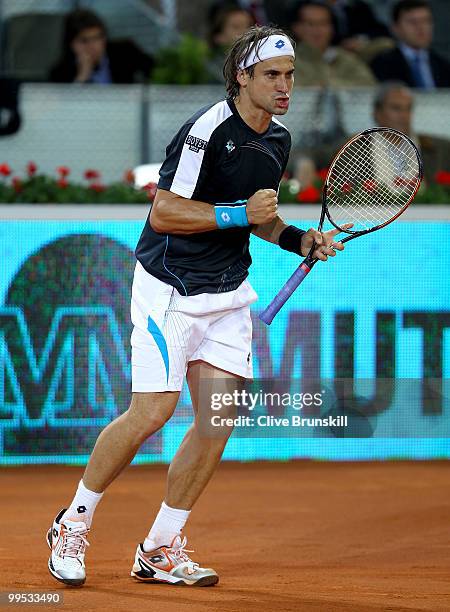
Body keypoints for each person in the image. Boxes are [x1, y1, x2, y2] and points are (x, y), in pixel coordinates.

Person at [46, 25, 349, 588]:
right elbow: (165, 213)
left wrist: (299, 239)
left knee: (217, 420)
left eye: (289, 77)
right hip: (170, 290)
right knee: (152, 413)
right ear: (243, 76)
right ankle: (72, 522)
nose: (284, 87)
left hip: (228, 292)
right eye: (271, 77)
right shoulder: (206, 131)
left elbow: (261, 219)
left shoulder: (277, 140)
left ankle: (159, 547)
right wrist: (238, 214)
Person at [49, 9, 154, 84]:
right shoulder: (60, 72)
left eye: (97, 38)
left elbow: (157, 72)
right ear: (72, 44)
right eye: (84, 41)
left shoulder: (125, 51)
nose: (92, 46)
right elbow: (64, 108)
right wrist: (82, 77)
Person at [373, 82, 450, 184]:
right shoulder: (354, 149)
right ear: (378, 113)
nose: (404, 115)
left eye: (408, 108)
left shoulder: (442, 149)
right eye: (396, 108)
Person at [289, 0, 376, 87]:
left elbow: (369, 86)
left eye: (323, 23)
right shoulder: (286, 60)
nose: (317, 30)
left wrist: (328, 85)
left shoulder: (346, 59)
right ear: (296, 28)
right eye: (310, 24)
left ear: (332, 28)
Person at [370, 0, 450, 89]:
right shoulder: (382, 63)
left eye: (426, 21)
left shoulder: (443, 65)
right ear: (395, 28)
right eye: (413, 22)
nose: (421, 27)